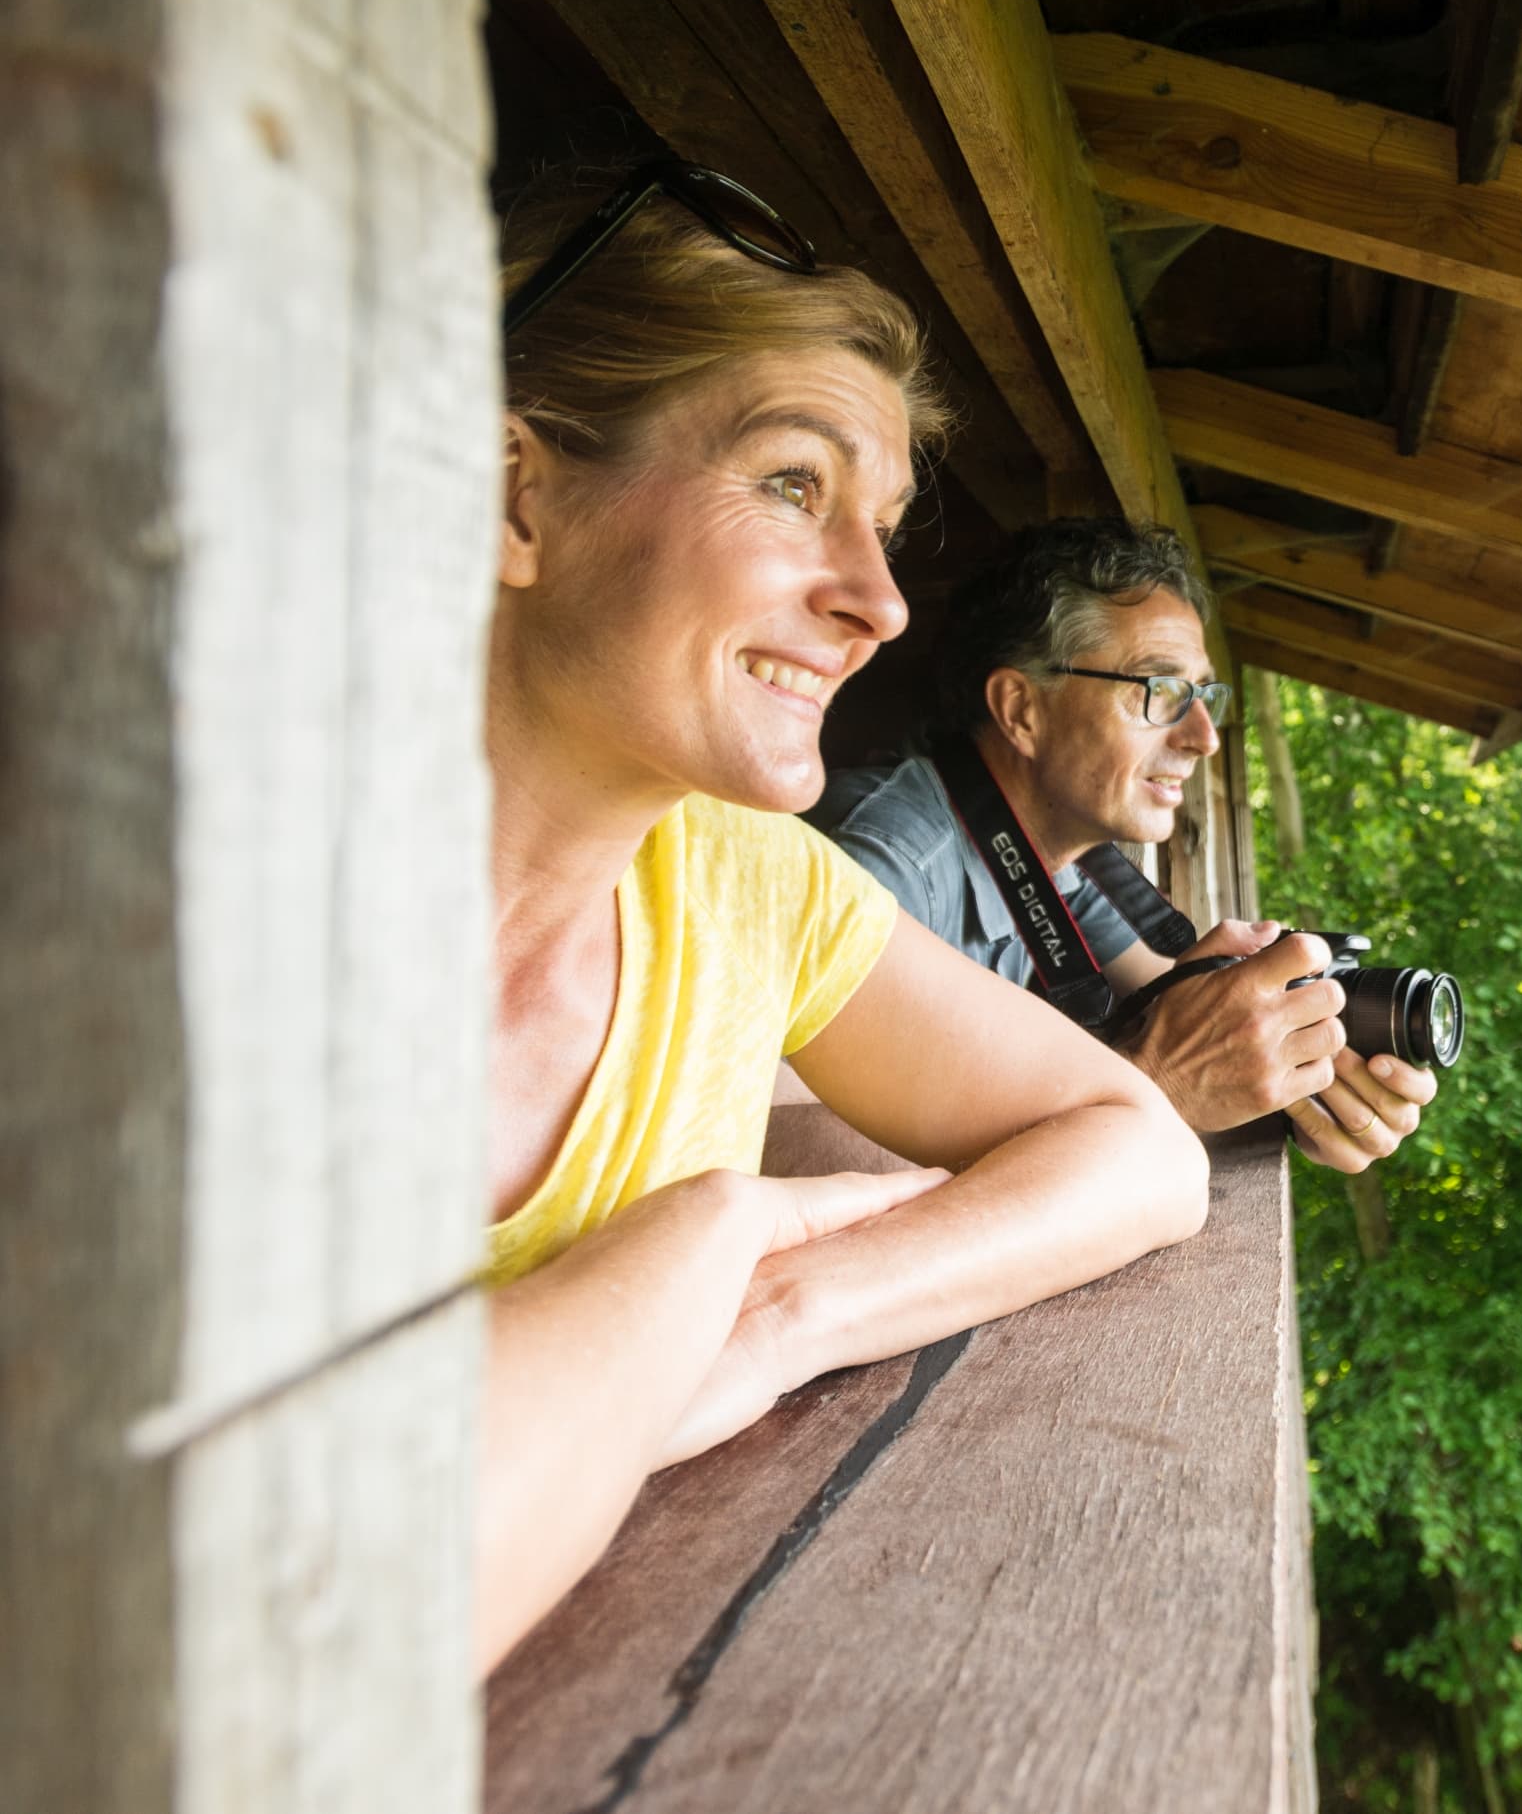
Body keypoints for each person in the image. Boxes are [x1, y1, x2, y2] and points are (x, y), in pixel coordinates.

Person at [475, 162, 1205, 1672]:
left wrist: (778, 1311)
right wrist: (707, 1239)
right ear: (515, 494)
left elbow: (1141, 1152)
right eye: (794, 483)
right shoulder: (162, 910)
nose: (881, 601)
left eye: (879, 523)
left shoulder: (748, 880)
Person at [799, 521, 1434, 1173]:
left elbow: (1172, 1006)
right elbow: (800, 1153)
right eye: (1160, 691)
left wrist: (1313, 1078)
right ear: (1022, 710)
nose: (1203, 737)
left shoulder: (1055, 864)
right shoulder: (882, 866)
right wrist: (1158, 1089)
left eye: (1204, 695)